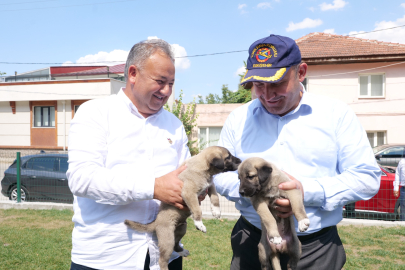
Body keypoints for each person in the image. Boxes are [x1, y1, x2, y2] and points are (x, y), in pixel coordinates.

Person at [213, 34, 381, 270]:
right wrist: (255, 194)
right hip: (252, 241)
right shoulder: (238, 119)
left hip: (315, 249)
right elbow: (220, 174)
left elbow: (366, 177)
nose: (267, 95)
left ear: (301, 72)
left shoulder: (336, 115)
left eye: (277, 83)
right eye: (259, 85)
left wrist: (307, 193)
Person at [67, 39, 191, 270]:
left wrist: (192, 191)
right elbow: (82, 179)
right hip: (106, 258)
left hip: (164, 258)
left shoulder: (174, 125)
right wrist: (153, 187)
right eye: (160, 82)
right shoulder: (94, 113)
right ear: (133, 73)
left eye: (171, 83)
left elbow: (186, 174)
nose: (166, 91)